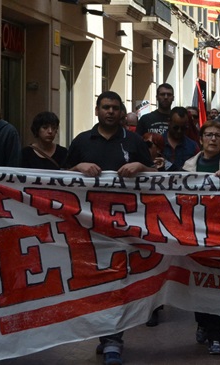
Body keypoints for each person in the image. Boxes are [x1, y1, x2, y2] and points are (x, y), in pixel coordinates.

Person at [65, 91, 155, 365]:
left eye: (116, 108)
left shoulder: (135, 141)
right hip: (87, 227)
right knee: (94, 282)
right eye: (106, 107)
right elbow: (57, 178)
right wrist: (77, 167)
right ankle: (105, 334)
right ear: (97, 110)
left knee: (118, 281)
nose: (111, 112)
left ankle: (113, 339)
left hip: (125, 227)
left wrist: (141, 165)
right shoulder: (81, 141)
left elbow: (157, 178)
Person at [183, 121, 220, 355]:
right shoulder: (186, 168)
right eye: (208, 134)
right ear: (201, 139)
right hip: (194, 233)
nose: (213, 139)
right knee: (199, 282)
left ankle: (217, 334)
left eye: (217, 135)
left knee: (218, 284)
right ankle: (202, 323)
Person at [161, 107, 200, 171]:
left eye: (183, 128)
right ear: (169, 122)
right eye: (176, 128)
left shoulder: (193, 147)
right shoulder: (156, 143)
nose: (179, 131)